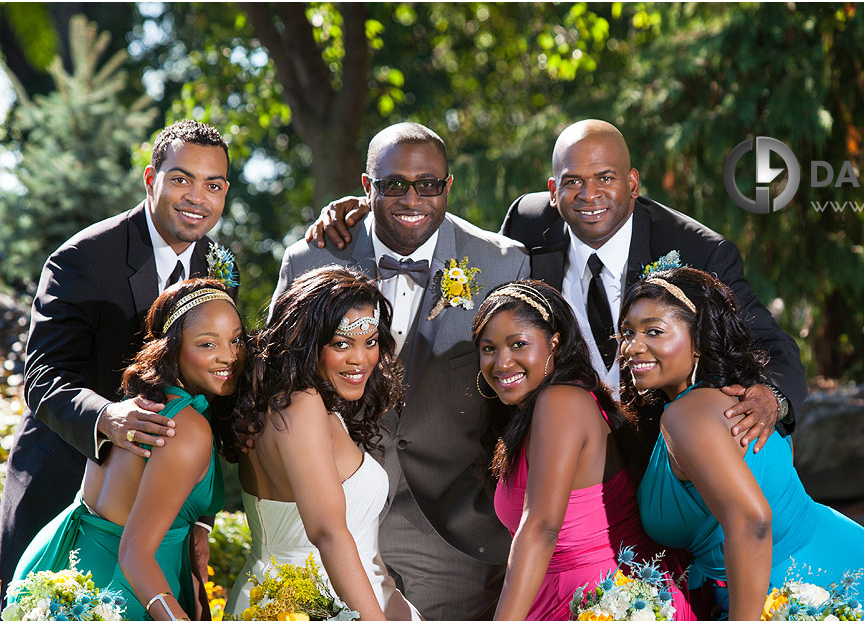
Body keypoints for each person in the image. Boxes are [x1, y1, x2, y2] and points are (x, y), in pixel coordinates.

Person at [305, 119, 806, 452]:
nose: (589, 195)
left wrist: (772, 398)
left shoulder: (697, 250)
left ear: (632, 183)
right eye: (572, 181)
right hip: (559, 451)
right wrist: (366, 207)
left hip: (666, 447)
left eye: (605, 178)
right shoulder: (528, 222)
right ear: (553, 188)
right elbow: (439, 225)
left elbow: (769, 343)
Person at [272, 122, 529, 621]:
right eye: (393, 185)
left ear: (448, 185)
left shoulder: (502, 262)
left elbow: (522, 395)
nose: (412, 198)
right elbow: (278, 383)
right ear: (367, 187)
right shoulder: (310, 260)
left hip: (456, 533)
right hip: (337, 514)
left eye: (428, 184)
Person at [225, 267, 468, 621]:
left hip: (358, 602)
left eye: (371, 341)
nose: (361, 358)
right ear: (308, 342)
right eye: (341, 343)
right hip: (304, 609)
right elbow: (327, 530)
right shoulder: (297, 406)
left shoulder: (311, 404)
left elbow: (358, 536)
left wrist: (402, 614)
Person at [618, 267, 864, 621]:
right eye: (627, 333)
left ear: (698, 341)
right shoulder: (740, 394)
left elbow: (752, 519)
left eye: (654, 332)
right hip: (850, 563)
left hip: (808, 597)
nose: (633, 347)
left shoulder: (687, 415)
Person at [11, 278, 248, 621]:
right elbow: (136, 551)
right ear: (173, 350)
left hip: (76, 580)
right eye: (207, 344)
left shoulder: (143, 406)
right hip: (129, 605)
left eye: (236, 340)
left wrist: (199, 524)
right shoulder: (187, 431)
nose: (228, 356)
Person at [0, 120, 235, 621]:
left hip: (161, 526)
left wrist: (200, 515)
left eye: (213, 185)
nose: (197, 198)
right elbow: (42, 377)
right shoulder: (83, 259)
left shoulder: (215, 265)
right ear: (151, 179)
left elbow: (216, 387)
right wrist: (107, 416)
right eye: (181, 180)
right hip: (69, 508)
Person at [449, 280, 698, 621]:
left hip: (609, 617)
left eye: (517, 344)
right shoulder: (552, 404)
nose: (501, 361)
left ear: (555, 344)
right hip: (565, 605)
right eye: (489, 349)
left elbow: (542, 526)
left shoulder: (560, 402)